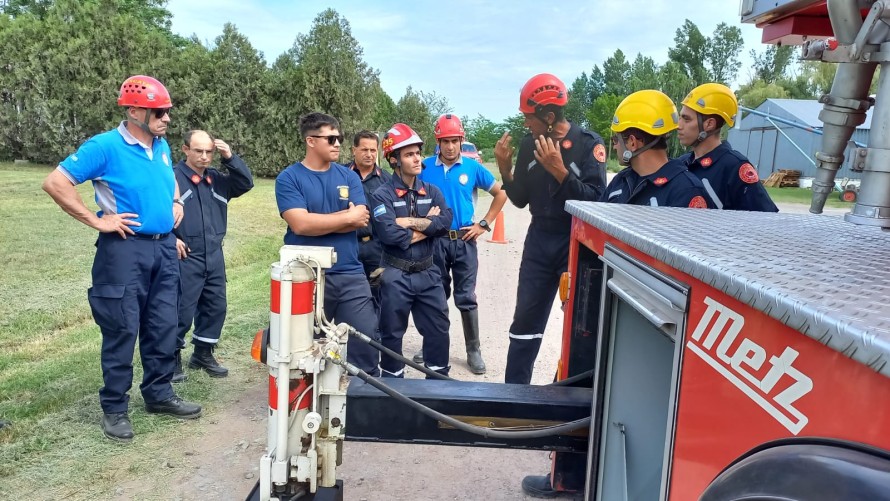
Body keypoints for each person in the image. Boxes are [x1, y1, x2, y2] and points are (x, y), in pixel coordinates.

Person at [42, 75, 202, 443]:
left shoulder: (160, 146)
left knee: (163, 324)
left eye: (168, 111)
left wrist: (176, 202)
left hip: (163, 248)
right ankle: (114, 408)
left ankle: (159, 394)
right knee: (121, 328)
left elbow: (169, 181)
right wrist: (97, 219)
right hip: (124, 250)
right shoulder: (105, 146)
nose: (166, 118)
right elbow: (55, 182)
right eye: (158, 112)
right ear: (133, 111)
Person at [494, 73, 607, 386]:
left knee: (579, 326)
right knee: (525, 321)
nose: (525, 125)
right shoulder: (530, 144)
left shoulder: (588, 145)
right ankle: (514, 397)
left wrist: (559, 170)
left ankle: (567, 395)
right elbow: (519, 200)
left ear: (549, 116)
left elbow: (597, 201)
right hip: (539, 240)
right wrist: (505, 168)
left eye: (529, 118)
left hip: (575, 243)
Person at [275, 112, 381, 376]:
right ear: (311, 141)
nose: (338, 144)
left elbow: (361, 219)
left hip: (349, 273)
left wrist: (317, 221)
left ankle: (363, 403)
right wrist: (345, 217)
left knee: (366, 340)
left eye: (340, 138)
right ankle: (302, 406)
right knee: (301, 348)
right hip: (304, 276)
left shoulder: (349, 177)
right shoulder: (289, 178)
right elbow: (300, 225)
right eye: (331, 138)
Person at [418, 114, 507, 374]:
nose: (450, 146)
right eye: (445, 141)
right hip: (434, 242)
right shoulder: (424, 167)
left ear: (461, 140)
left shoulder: (472, 167)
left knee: (466, 297)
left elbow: (501, 193)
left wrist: (484, 224)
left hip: (464, 241)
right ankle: (432, 344)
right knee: (434, 296)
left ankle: (473, 350)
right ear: (438, 141)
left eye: (454, 140)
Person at [370, 123, 453, 378]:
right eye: (408, 154)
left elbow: (444, 223)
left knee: (439, 330)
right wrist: (427, 224)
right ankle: (393, 384)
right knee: (392, 332)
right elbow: (388, 234)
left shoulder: (432, 191)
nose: (417, 158)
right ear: (394, 159)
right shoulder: (381, 195)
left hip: (429, 273)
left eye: (417, 152)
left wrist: (407, 222)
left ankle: (438, 383)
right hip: (395, 274)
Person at [171, 130, 254, 382]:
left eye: (209, 152)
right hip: (186, 255)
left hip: (214, 255)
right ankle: (170, 358)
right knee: (180, 310)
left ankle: (203, 353)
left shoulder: (217, 180)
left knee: (215, 306)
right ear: (185, 150)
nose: (205, 157)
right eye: (199, 151)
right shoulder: (171, 178)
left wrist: (229, 157)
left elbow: (245, 183)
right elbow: (152, 210)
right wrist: (170, 238)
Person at [676, 82, 778, 212]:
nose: (678, 125)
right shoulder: (681, 164)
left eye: (686, 119)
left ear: (709, 124)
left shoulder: (735, 168)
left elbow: (766, 218)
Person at [603, 89, 713, 208]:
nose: (614, 146)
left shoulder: (687, 191)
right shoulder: (621, 179)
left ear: (632, 142)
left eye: (615, 139)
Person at [347, 130, 391, 301]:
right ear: (353, 150)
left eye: (373, 150)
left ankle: (378, 328)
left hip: (376, 248)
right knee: (350, 296)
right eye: (364, 150)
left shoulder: (386, 180)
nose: (369, 154)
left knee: (379, 295)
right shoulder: (341, 175)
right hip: (348, 245)